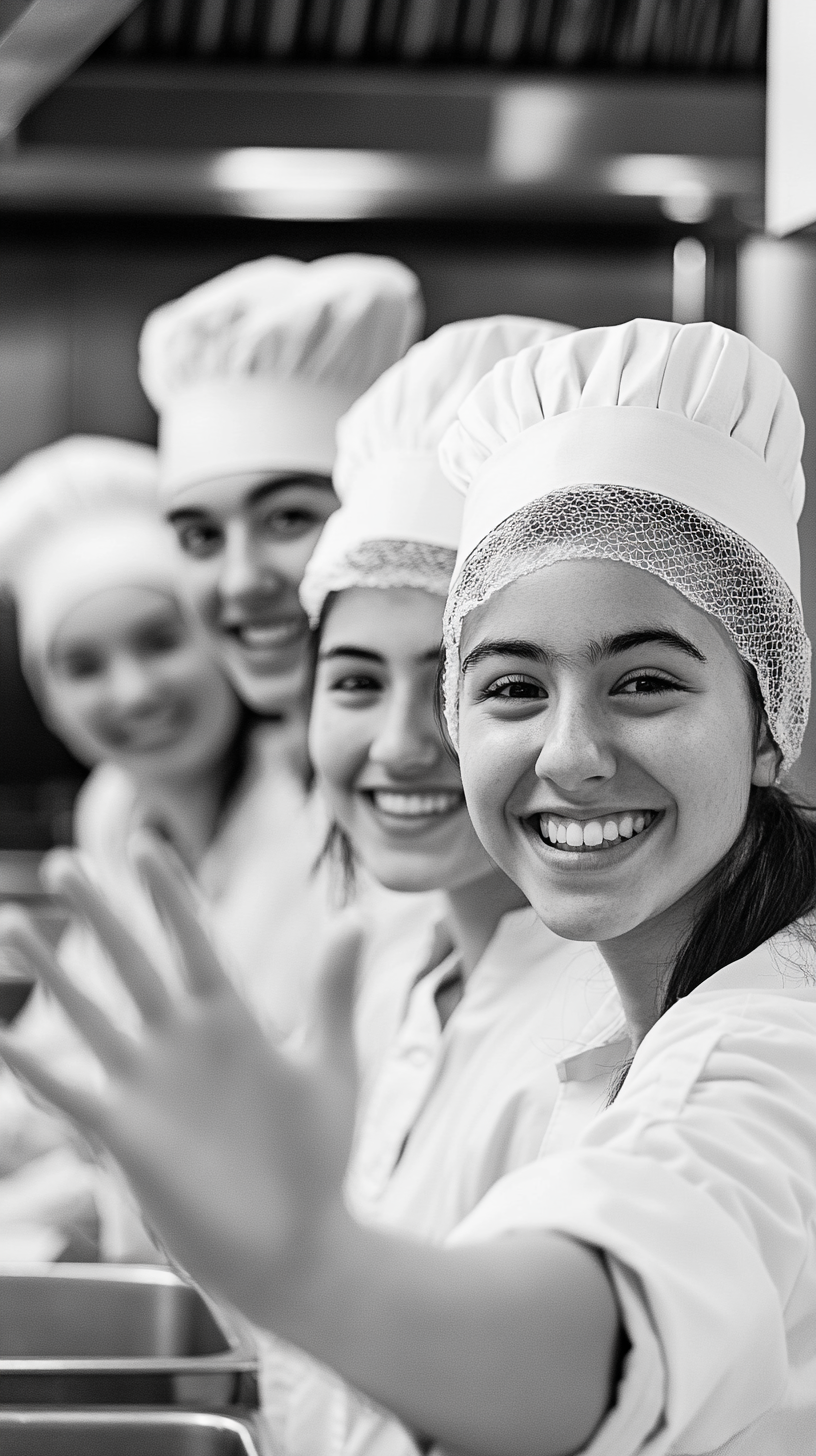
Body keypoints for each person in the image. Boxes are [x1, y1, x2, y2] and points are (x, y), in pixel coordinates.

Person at [2, 318, 815, 1456]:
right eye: (511, 687)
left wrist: (311, 1262)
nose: (571, 754)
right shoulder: (415, 974)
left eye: (643, 681)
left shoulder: (770, 1040)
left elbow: (597, 1330)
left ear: (771, 717)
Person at [259, 315, 614, 1456]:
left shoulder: (607, 1029)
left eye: (469, 684)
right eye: (355, 682)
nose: (404, 743)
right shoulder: (396, 966)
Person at [138, 252, 427, 1040]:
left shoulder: (429, 808)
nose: (239, 582)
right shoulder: (273, 788)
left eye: (288, 519)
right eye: (200, 536)